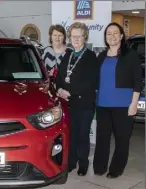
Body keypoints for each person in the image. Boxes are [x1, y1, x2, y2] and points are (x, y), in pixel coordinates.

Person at [93, 22, 141, 178]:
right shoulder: (101, 56)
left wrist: (134, 103)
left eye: (115, 33)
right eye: (108, 34)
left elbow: (137, 81)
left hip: (123, 104)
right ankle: (99, 167)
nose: (112, 36)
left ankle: (116, 168)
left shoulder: (130, 55)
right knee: (102, 137)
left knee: (122, 138)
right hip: (102, 104)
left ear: (121, 36)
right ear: (105, 37)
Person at [55, 22, 99, 176]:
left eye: (79, 36)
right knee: (71, 134)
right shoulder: (68, 54)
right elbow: (60, 76)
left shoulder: (91, 56)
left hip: (84, 104)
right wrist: (60, 88)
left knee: (82, 135)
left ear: (85, 38)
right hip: (69, 105)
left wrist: (70, 93)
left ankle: (83, 164)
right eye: (73, 36)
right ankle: (72, 162)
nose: (76, 39)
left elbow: (90, 82)